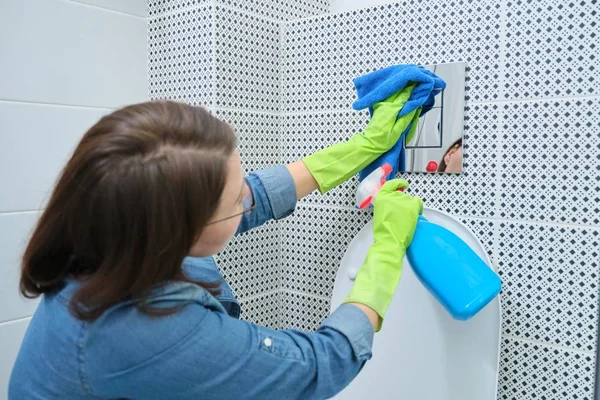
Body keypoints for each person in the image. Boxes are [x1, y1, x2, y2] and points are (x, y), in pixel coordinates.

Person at [9, 88, 423, 399]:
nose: (249, 195)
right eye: (234, 198)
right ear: (182, 227)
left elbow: (253, 194)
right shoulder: (149, 329)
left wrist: (362, 147)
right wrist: (387, 246)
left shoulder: (109, 239)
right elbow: (320, 364)